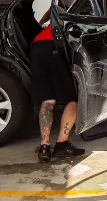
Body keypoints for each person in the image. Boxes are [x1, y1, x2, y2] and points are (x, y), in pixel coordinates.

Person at [31, 13, 86, 162]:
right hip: (54, 47)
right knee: (72, 100)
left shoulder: (63, 7)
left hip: (37, 47)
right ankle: (62, 144)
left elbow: (51, 10)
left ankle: (44, 147)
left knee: (48, 99)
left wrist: (41, 22)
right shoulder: (83, 10)